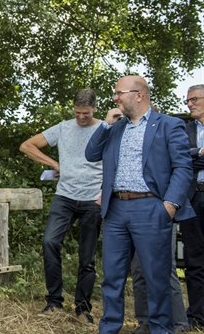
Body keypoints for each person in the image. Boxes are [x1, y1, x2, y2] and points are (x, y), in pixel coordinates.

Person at [85, 75, 195, 334]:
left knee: (156, 277)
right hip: (115, 210)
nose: (115, 98)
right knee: (112, 277)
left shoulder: (169, 125)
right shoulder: (115, 127)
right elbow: (91, 155)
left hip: (151, 208)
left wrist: (169, 205)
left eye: (119, 93)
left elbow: (182, 167)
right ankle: (109, 328)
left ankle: (159, 329)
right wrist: (105, 126)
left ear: (139, 95)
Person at [18, 89, 102, 324]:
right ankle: (54, 301)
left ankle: (83, 308)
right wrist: (55, 163)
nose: (81, 117)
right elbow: (27, 146)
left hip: (92, 199)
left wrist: (105, 193)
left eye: (85, 113)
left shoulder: (104, 129)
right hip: (65, 196)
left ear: (94, 108)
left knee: (87, 257)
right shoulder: (63, 127)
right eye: (77, 113)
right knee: (50, 242)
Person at [180, 84, 204, 328]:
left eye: (194, 99)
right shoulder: (183, 128)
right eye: (188, 101)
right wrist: (199, 153)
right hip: (192, 199)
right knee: (194, 260)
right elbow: (180, 155)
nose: (190, 104)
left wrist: (194, 159)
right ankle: (196, 316)